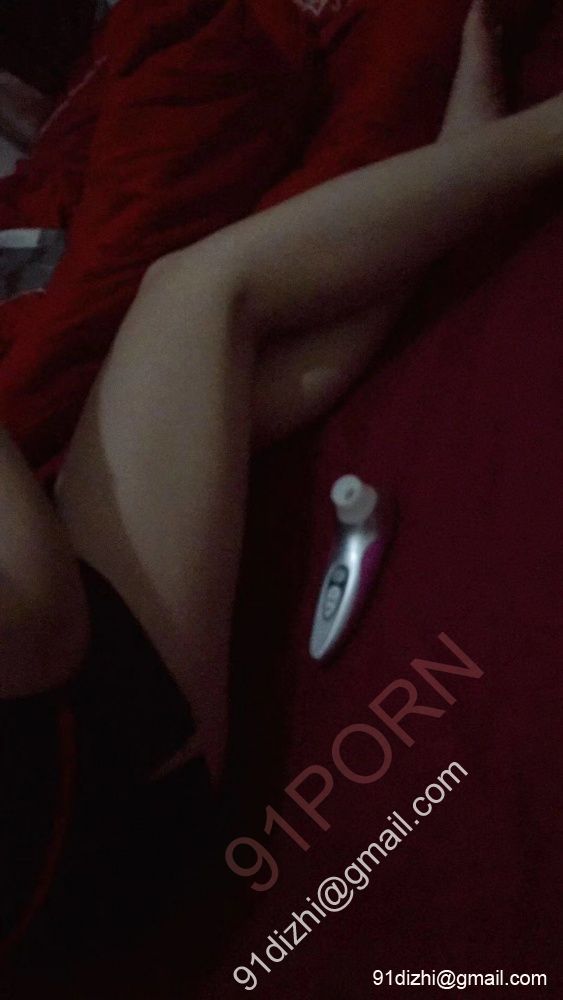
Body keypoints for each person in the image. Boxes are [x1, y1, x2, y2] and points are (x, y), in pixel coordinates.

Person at [0, 0, 561, 781]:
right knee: (197, 294)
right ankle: (533, 140)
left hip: (48, 694)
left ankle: (461, 166)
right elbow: (45, 627)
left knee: (218, 376)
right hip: (91, 770)